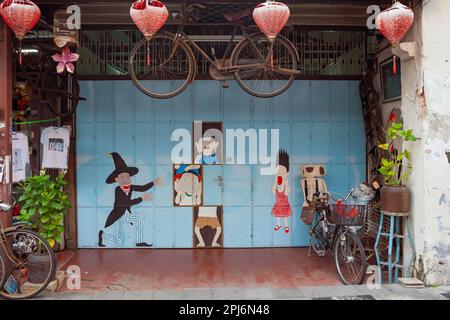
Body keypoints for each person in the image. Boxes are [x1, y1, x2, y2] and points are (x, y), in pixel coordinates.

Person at [98, 152, 163, 248]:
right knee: (120, 242)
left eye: (127, 177)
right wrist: (142, 198)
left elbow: (142, 188)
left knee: (139, 219)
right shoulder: (118, 190)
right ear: (116, 179)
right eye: (122, 177)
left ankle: (139, 242)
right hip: (118, 215)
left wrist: (154, 182)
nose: (125, 179)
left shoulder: (131, 187)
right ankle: (103, 235)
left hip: (126, 214)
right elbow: (125, 203)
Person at [272, 150, 292, 234]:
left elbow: (286, 193)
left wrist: (285, 185)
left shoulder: (286, 182)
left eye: (282, 171)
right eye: (278, 171)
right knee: (277, 215)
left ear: (287, 173)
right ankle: (278, 224)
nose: (279, 173)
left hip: (284, 204)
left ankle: (286, 226)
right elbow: (273, 191)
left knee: (285, 216)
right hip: (278, 204)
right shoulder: (276, 182)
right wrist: (275, 183)